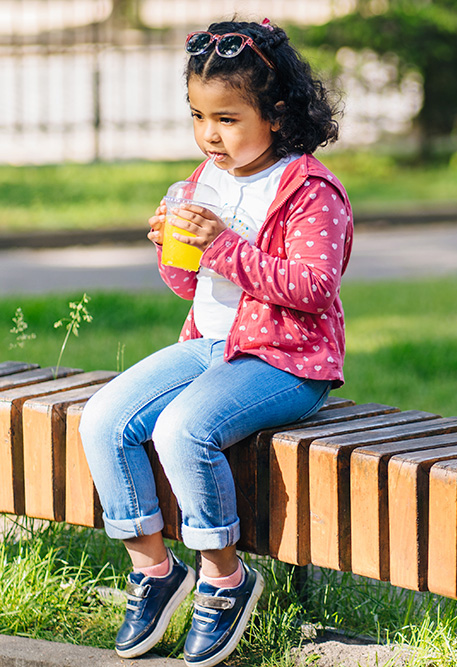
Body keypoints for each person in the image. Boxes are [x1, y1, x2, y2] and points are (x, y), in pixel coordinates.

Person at [79, 18, 351, 667]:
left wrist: (223, 247)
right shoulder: (207, 178)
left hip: (287, 359)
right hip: (212, 343)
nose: (210, 134)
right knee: (103, 418)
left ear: (277, 113)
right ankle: (153, 568)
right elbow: (187, 285)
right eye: (199, 116)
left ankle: (224, 578)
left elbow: (313, 287)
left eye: (227, 118)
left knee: (181, 429)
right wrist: (173, 245)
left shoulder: (310, 190)